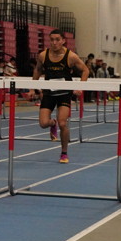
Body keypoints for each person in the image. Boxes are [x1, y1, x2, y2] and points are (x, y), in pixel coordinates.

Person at [32, 29, 89, 164]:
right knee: (43, 123)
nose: (54, 42)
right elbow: (38, 70)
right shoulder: (43, 55)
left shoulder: (71, 56)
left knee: (63, 123)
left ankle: (64, 153)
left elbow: (85, 70)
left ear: (63, 40)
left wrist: (80, 87)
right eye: (52, 39)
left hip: (64, 94)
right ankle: (53, 123)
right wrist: (32, 87)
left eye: (57, 39)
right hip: (49, 93)